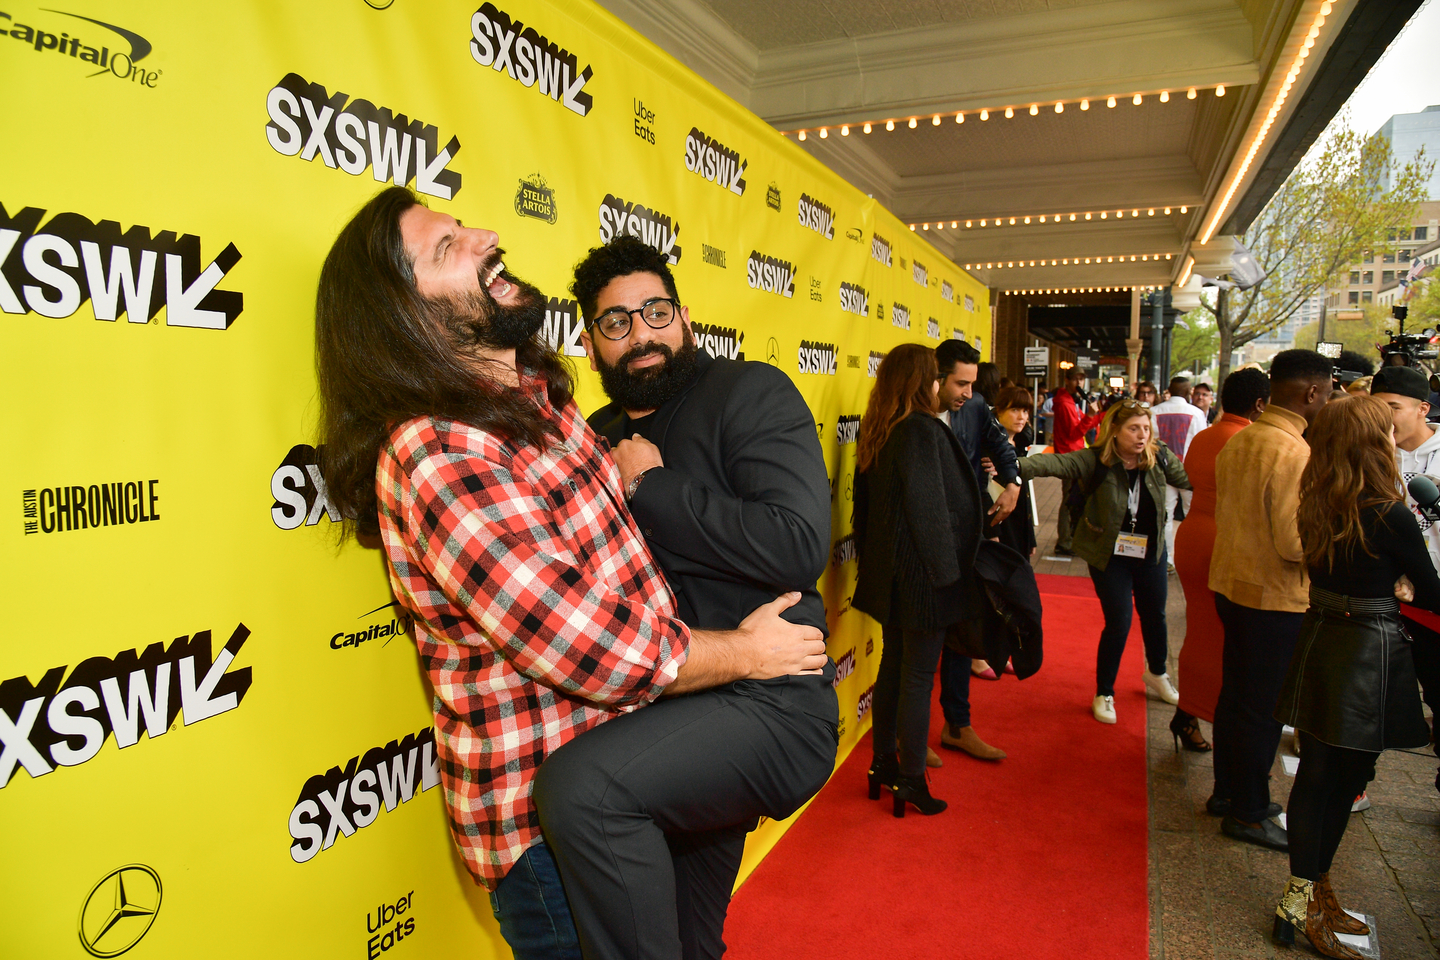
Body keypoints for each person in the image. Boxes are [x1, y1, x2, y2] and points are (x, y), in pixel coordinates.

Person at [312, 187, 829, 960]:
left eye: (465, 228)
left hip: (651, 765)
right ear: (405, 319)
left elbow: (767, 548)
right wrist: (748, 655)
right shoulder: (438, 450)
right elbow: (582, 641)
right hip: (547, 832)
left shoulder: (543, 403)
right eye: (448, 248)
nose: (486, 237)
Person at [558, 235, 840, 958]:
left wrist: (654, 487)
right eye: (616, 322)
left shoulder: (748, 391)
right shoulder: (593, 436)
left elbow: (797, 544)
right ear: (591, 346)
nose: (640, 334)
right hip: (661, 709)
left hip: (771, 703)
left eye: (654, 312)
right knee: (687, 939)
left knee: (582, 792)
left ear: (685, 319)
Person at [1271, 395, 1437, 959]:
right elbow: (1432, 590)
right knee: (1343, 776)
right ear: (1373, 442)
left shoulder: (1318, 498)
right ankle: (1306, 899)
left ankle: (1307, 891)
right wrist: (1405, 585)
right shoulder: (1389, 511)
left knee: (1319, 773)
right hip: (1366, 649)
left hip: (1321, 634)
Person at [853, 344, 985, 815]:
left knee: (894, 669)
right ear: (922, 382)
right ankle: (910, 778)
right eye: (936, 378)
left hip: (890, 576)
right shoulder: (919, 431)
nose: (939, 386)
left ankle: (883, 766)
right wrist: (950, 580)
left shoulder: (879, 429)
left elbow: (863, 514)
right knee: (916, 678)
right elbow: (930, 513)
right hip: (925, 578)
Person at [1209, 348, 1332, 851]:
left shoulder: (1243, 439)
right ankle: (1250, 810)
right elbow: (1293, 543)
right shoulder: (1293, 451)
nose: (1327, 403)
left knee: (1236, 699)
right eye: (1326, 394)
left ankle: (1229, 793)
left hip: (1233, 585)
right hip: (1273, 598)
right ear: (1309, 393)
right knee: (1261, 710)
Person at [1019, 400, 1190, 723]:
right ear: (1114, 430)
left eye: (1146, 428)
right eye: (1134, 428)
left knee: (1156, 614)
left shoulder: (1159, 457)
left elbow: (1192, 479)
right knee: (1120, 620)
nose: (1143, 435)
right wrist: (1011, 466)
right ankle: (1105, 691)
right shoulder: (1095, 460)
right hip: (1109, 555)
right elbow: (1054, 464)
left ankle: (1157, 673)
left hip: (1151, 552)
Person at [1169, 369, 1270, 752]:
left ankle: (1188, 713)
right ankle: (1201, 713)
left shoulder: (1206, 436)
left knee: (1200, 629)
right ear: (1260, 404)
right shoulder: (1249, 440)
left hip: (1194, 536)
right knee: (1222, 639)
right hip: (1225, 542)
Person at [934, 338, 1016, 759]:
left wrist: (1012, 482)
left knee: (961, 635)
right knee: (920, 641)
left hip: (966, 539)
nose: (969, 392)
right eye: (961, 383)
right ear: (938, 376)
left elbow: (1002, 446)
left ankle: (958, 724)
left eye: (971, 383)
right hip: (926, 546)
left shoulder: (978, 408)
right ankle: (904, 735)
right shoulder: (914, 413)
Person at [1369, 364, 1440, 796]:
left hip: (1432, 599)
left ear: (1422, 408)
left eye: (1393, 407)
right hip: (1383, 595)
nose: (1386, 418)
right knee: (1368, 696)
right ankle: (1355, 783)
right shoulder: (1371, 452)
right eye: (1378, 408)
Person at [1151, 377, 1210, 568]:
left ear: (1169, 389)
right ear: (1188, 392)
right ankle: (1193, 558)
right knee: (1192, 515)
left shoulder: (1154, 412)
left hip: (1163, 470)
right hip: (1189, 472)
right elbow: (1202, 442)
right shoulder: (1197, 413)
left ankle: (1166, 559)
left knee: (1165, 516)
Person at [1050, 365, 1104, 555]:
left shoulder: (1071, 401)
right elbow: (1075, 432)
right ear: (1067, 380)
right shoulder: (1064, 403)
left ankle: (1070, 538)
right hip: (1069, 457)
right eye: (1075, 379)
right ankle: (1064, 541)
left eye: (1081, 379)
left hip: (1076, 454)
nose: (1078, 383)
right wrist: (1091, 416)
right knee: (1069, 500)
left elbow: (1084, 421)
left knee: (1076, 498)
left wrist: (1101, 414)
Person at [991, 386, 1037, 559]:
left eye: (1025, 411)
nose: (1021, 417)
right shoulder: (990, 449)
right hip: (1000, 528)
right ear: (1000, 411)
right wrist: (991, 531)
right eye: (1015, 410)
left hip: (1020, 524)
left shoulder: (1020, 445)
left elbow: (1025, 495)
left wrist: (1030, 537)